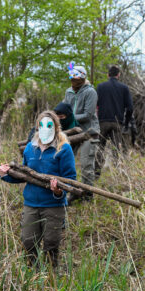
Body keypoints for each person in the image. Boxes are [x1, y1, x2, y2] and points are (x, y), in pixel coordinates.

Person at [0, 110, 76, 267]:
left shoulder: (64, 149)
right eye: (41, 125)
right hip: (31, 204)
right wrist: (5, 175)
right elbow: (24, 175)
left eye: (48, 125)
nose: (44, 128)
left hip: (53, 205)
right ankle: (33, 274)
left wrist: (59, 191)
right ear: (37, 127)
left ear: (55, 127)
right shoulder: (30, 148)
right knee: (28, 241)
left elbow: (71, 179)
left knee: (51, 243)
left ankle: (51, 277)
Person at [63, 63, 100, 203]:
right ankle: (72, 191)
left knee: (86, 165)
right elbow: (65, 109)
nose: (74, 82)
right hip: (73, 132)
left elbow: (88, 115)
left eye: (76, 78)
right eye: (72, 78)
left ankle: (87, 195)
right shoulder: (69, 92)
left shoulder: (90, 92)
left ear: (83, 78)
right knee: (67, 163)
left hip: (89, 132)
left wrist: (70, 117)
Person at [95, 65, 134, 177]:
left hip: (102, 122)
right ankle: (118, 175)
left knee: (99, 148)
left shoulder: (101, 87)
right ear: (118, 75)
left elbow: (95, 105)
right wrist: (126, 124)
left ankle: (96, 174)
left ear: (108, 75)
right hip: (117, 123)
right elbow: (130, 108)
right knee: (117, 150)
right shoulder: (124, 88)